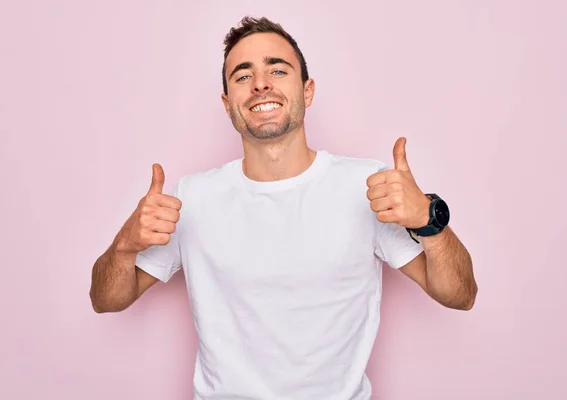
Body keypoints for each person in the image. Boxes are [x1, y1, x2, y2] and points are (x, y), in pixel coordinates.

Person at [89, 15, 478, 400]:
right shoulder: (192, 198)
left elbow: (460, 295)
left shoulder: (367, 187)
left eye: (277, 70)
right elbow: (106, 300)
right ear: (228, 104)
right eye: (242, 76)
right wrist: (124, 245)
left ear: (307, 91)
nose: (260, 84)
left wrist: (430, 220)